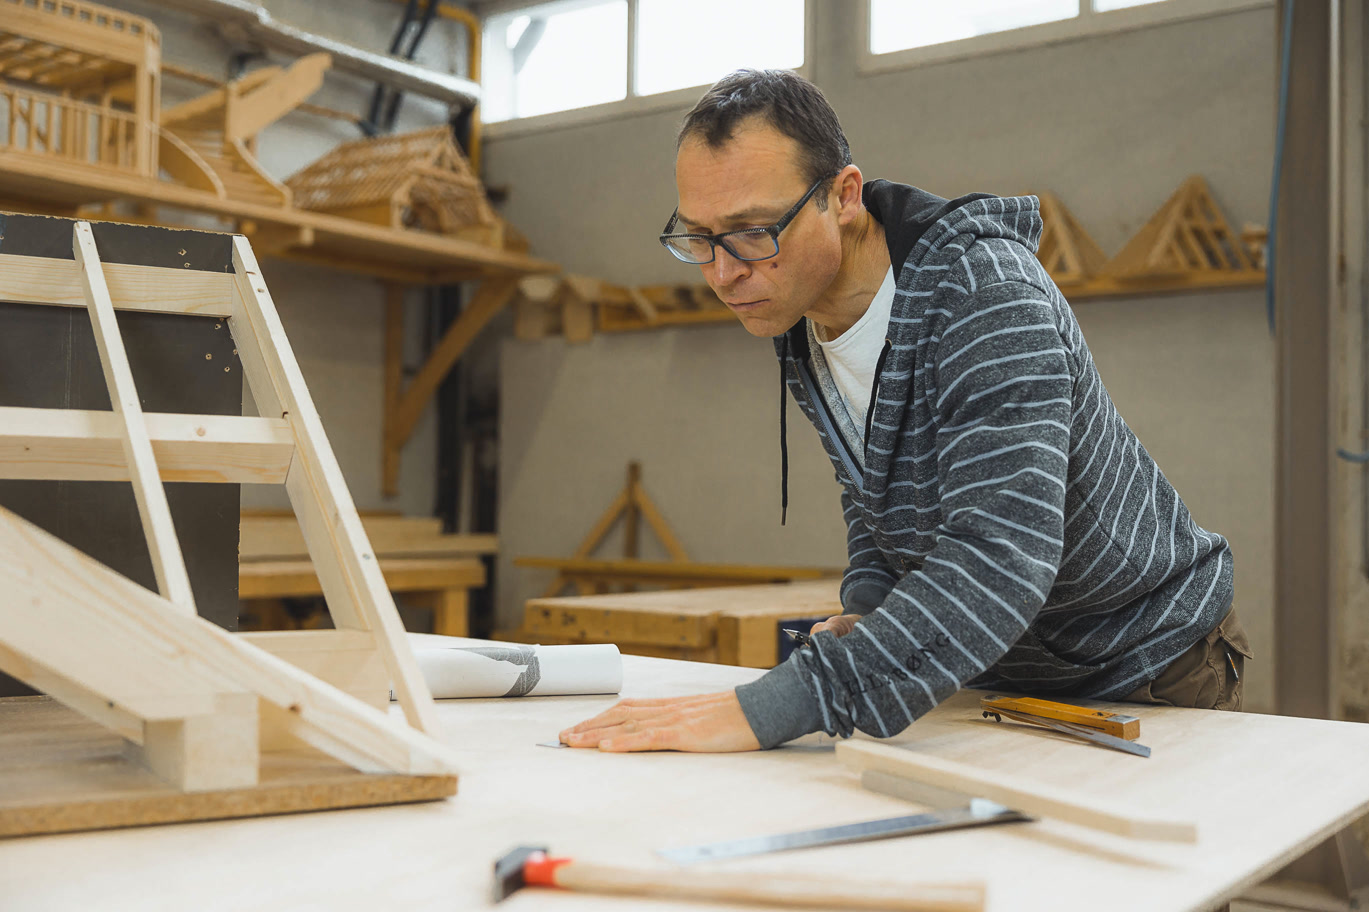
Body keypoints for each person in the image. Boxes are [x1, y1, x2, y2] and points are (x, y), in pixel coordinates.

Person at [559, 69, 1249, 754]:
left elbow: (1000, 557)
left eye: (752, 231)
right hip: (1002, 668)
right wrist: (869, 607)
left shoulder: (984, 295)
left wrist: (770, 708)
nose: (723, 271)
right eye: (699, 237)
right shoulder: (802, 316)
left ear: (843, 196)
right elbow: (874, 493)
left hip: (1145, 664)